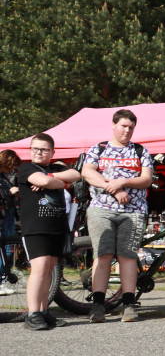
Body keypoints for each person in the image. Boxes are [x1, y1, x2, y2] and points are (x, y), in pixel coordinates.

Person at [81, 109, 154, 323]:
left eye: (131, 127)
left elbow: (146, 179)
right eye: (123, 126)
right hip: (101, 209)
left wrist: (123, 182)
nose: (127, 130)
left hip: (133, 211)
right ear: (113, 125)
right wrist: (113, 188)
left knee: (127, 256)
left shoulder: (140, 150)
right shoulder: (99, 148)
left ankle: (129, 304)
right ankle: (97, 305)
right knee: (102, 255)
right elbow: (87, 172)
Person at [15, 134, 80, 330]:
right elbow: (42, 182)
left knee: (50, 270)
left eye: (43, 149)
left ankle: (43, 312)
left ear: (53, 152)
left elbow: (75, 175)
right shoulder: (26, 168)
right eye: (35, 148)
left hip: (58, 227)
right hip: (36, 228)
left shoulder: (55, 169)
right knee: (40, 268)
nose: (38, 152)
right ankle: (33, 314)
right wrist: (56, 181)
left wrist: (52, 177)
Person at [0, 149, 20, 296]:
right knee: (1, 251)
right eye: (12, 165)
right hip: (2, 217)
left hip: (8, 215)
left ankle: (2, 280)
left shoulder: (4, 176)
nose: (12, 169)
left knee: (6, 250)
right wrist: (10, 192)